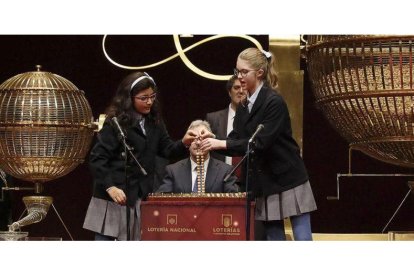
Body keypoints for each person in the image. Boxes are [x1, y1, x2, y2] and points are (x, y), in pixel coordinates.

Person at [200, 48, 317, 241]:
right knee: (273, 236)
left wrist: (220, 144)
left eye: (244, 72)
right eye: (237, 71)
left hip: (288, 177)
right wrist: (212, 136)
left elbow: (259, 143)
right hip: (265, 180)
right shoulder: (244, 103)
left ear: (260, 73)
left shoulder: (273, 102)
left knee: (302, 236)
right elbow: (237, 136)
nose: (239, 76)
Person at [83, 71, 200, 241]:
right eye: (143, 98)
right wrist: (111, 187)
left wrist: (184, 142)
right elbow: (97, 159)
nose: (150, 102)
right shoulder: (114, 122)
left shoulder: (154, 122)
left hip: (138, 195)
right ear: (129, 98)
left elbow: (167, 150)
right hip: (114, 197)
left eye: (152, 96)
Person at [157, 120, 239, 194]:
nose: (199, 143)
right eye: (194, 139)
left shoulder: (225, 171)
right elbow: (161, 200)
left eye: (203, 139)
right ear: (187, 143)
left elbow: (234, 202)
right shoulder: (173, 171)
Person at [205, 75, 246, 164]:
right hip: (220, 175)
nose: (241, 91)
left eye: (244, 88)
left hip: (246, 175)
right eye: (236, 88)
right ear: (229, 92)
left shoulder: (254, 117)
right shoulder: (213, 118)